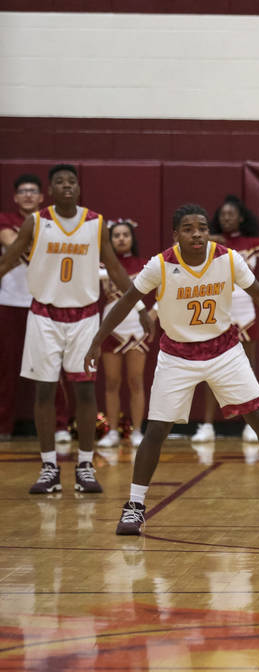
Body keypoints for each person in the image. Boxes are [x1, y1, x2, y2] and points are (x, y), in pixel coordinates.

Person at [85, 203, 259, 536]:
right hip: (177, 355)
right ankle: (135, 505)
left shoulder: (228, 258)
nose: (196, 234)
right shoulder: (160, 264)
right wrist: (98, 337)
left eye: (201, 228)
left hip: (224, 350)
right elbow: (125, 301)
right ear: (175, 234)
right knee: (156, 431)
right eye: (188, 229)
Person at [0, 164, 148, 495]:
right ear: (50, 190)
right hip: (44, 316)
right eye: (59, 182)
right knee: (44, 391)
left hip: (84, 318)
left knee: (84, 392)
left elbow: (114, 268)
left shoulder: (95, 223)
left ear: (79, 188)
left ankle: (84, 464)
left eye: (72, 181)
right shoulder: (36, 222)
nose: (66, 186)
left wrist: (139, 308)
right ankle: (49, 466)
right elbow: (7, 261)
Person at [191, 195, 259, 443]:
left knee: (247, 369)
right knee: (210, 368)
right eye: (222, 215)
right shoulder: (209, 243)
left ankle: (251, 425)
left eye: (231, 214)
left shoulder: (253, 243)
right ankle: (208, 425)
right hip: (217, 311)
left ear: (241, 217)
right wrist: (210, 239)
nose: (226, 218)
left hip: (245, 311)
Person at [97, 219, 153, 448]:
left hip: (137, 327)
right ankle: (112, 431)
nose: (121, 238)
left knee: (136, 381)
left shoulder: (146, 264)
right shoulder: (102, 265)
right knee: (111, 382)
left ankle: (138, 430)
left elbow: (170, 285)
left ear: (132, 238)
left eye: (125, 234)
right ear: (109, 241)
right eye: (116, 235)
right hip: (111, 326)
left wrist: (155, 314)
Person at [0, 174, 42, 439]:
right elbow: (11, 243)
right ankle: (4, 425)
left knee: (50, 366)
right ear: (15, 197)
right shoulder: (5, 219)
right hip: (10, 302)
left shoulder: (50, 222)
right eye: (23, 191)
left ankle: (59, 424)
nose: (28, 195)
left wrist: (23, 244)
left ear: (41, 197)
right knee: (8, 366)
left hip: (44, 303)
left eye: (33, 191)